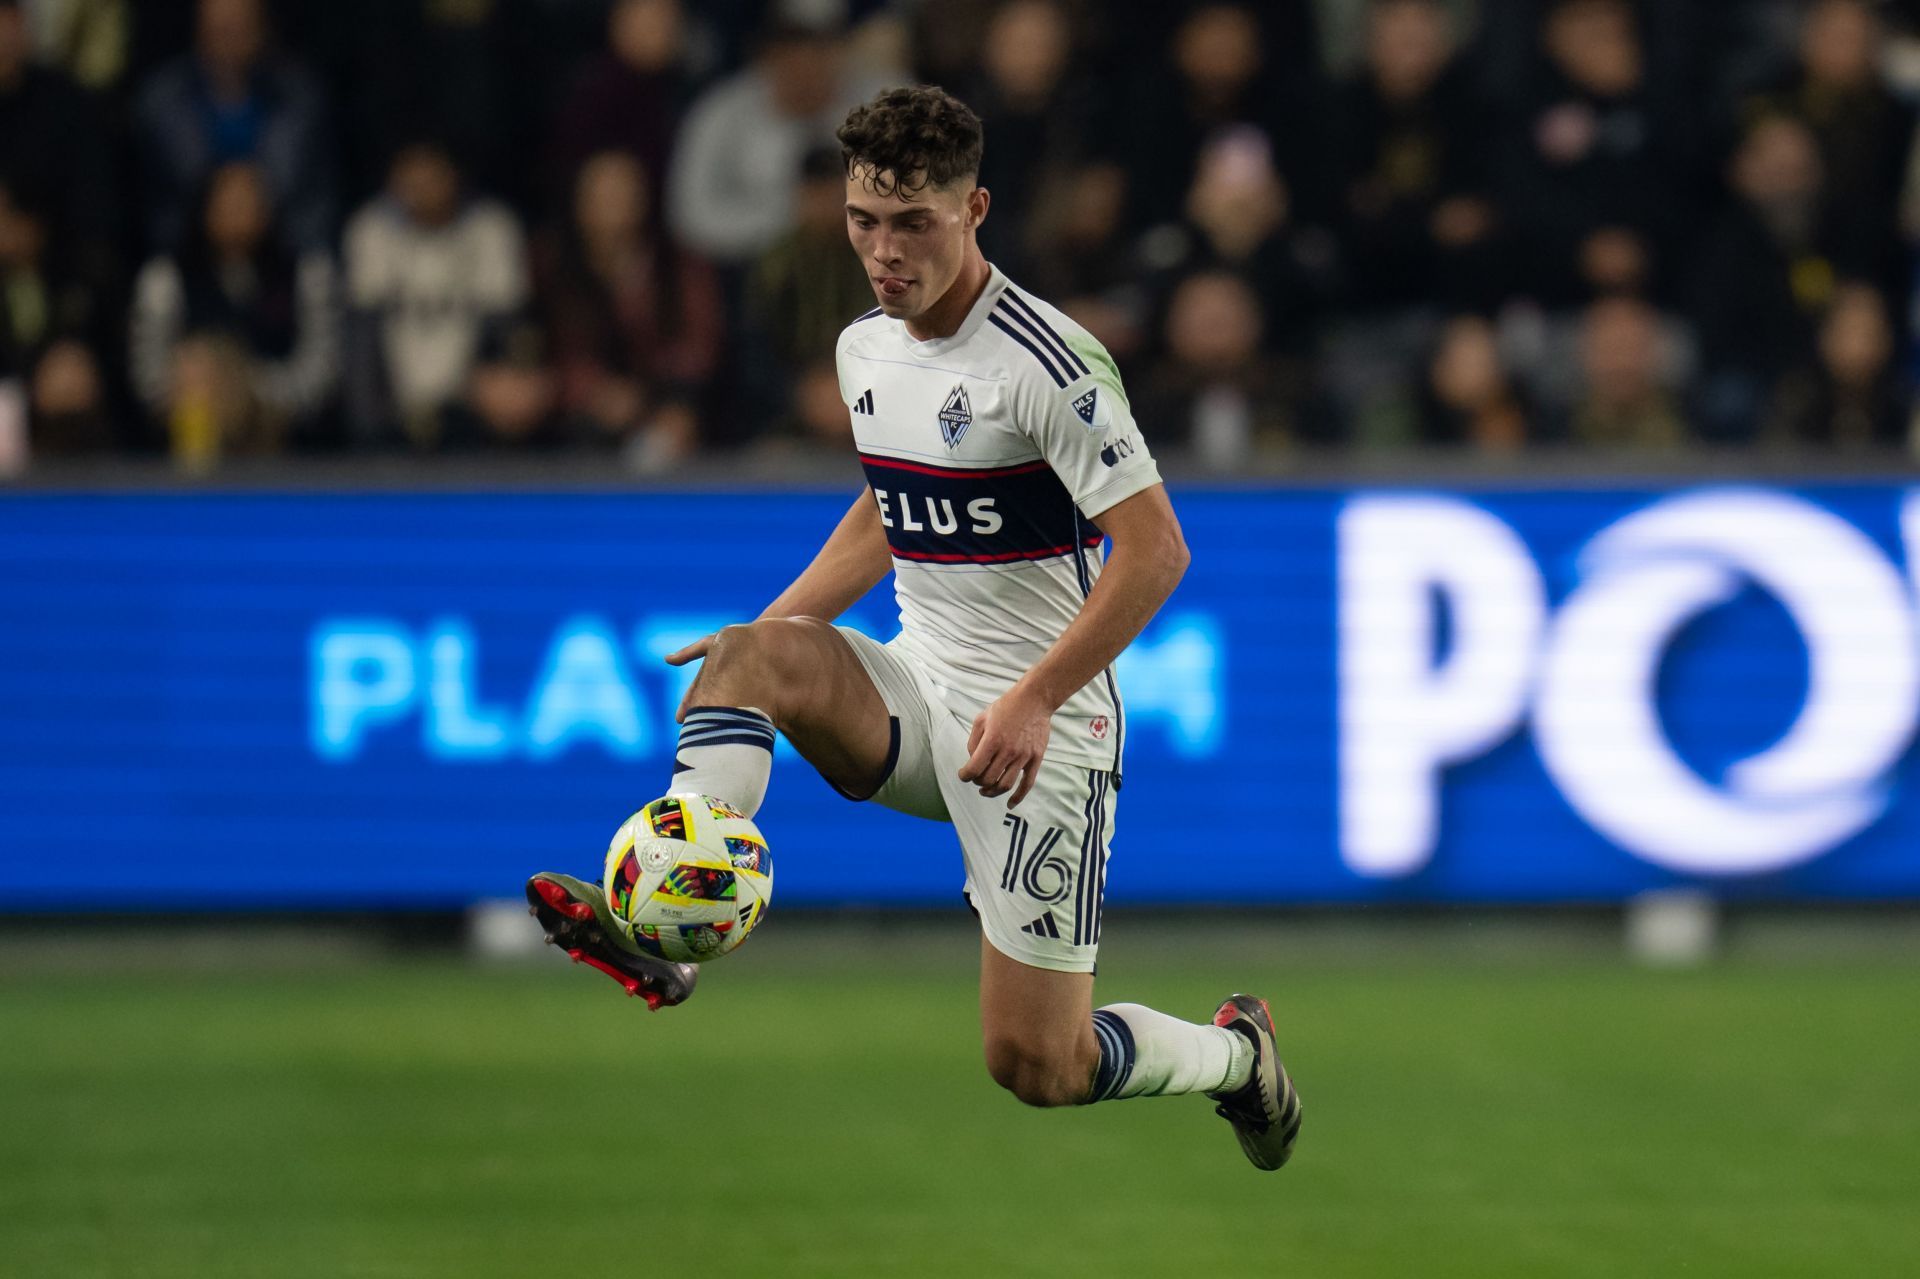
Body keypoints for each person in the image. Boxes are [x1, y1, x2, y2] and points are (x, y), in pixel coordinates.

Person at [526, 85, 1302, 1173]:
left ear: (975, 209)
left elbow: (1158, 551)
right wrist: (779, 634)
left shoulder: (1051, 363)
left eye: (913, 225)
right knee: (747, 647)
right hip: (916, 690)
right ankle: (673, 925)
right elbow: (888, 503)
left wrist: (1035, 697)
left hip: (1041, 742)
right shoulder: (865, 350)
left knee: (1040, 1064)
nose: (883, 253)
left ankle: (1240, 1057)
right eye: (863, 223)